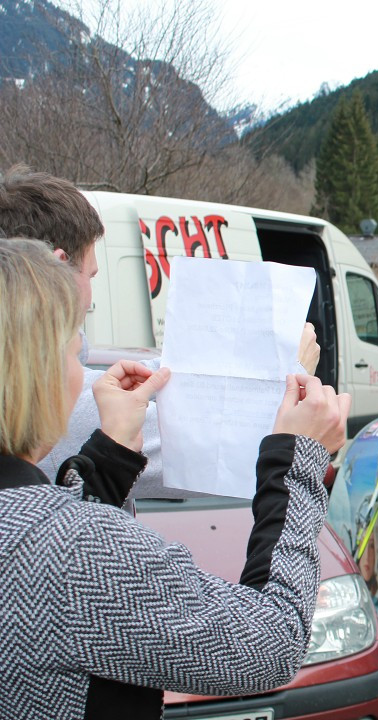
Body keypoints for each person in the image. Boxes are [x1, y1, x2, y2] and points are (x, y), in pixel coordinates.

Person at [0, 238, 351, 719]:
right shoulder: (70, 548)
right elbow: (271, 643)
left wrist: (107, 462)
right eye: (73, 356)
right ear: (31, 374)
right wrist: (297, 462)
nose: (79, 376)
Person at [0, 165, 319, 496]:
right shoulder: (58, 396)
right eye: (91, 276)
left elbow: (163, 375)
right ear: (59, 269)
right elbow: (229, 450)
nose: (90, 297)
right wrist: (290, 370)